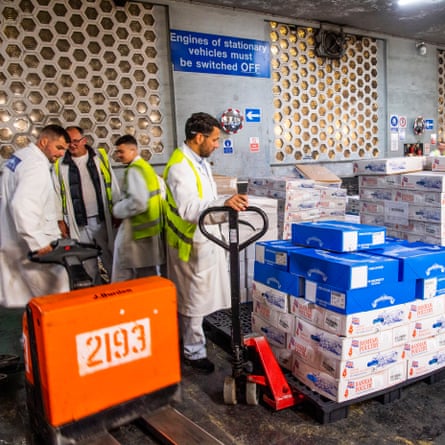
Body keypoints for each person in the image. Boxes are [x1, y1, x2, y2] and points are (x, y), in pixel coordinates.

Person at [163, 112, 248, 374]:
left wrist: (226, 204)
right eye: (214, 139)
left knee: (200, 298)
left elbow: (205, 196)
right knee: (192, 301)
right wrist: (222, 204)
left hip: (205, 239)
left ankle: (195, 341)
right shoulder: (179, 167)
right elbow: (189, 208)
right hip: (190, 243)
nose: (216, 144)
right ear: (198, 137)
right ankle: (193, 352)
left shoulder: (198, 162)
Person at [0, 124, 71, 307]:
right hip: (33, 248)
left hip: (15, 243)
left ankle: (33, 335)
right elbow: (22, 205)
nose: (62, 154)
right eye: (59, 147)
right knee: (57, 298)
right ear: (44, 141)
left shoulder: (20, 158)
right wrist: (38, 242)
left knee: (31, 303)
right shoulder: (36, 166)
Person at [53, 126, 120, 283]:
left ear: (84, 140)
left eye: (75, 141)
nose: (72, 145)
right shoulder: (60, 164)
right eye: (68, 142)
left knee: (110, 259)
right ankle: (96, 295)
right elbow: (56, 193)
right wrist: (60, 220)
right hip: (79, 223)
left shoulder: (99, 157)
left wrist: (117, 210)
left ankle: (115, 293)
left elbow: (113, 185)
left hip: (102, 220)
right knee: (88, 264)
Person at [111, 134, 165, 282]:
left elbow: (139, 203)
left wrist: (117, 209)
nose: (119, 155)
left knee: (124, 275)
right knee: (148, 276)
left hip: (137, 232)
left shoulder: (135, 170)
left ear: (133, 150)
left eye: (121, 152)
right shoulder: (146, 168)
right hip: (149, 231)